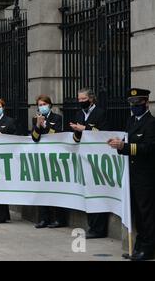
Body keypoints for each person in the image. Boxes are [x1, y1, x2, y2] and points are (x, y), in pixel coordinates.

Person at [108, 88, 155, 261]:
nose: (134, 107)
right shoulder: (130, 121)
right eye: (131, 104)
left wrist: (124, 147)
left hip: (145, 177)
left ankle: (148, 249)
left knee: (146, 214)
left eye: (137, 103)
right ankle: (138, 246)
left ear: (146, 103)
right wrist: (117, 145)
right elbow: (126, 144)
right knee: (136, 213)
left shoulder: (151, 123)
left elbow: (149, 148)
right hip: (132, 176)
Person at [70, 88, 109, 239]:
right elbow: (77, 138)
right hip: (84, 157)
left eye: (83, 99)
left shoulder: (100, 113)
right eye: (79, 99)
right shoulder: (79, 114)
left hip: (98, 157)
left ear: (91, 99)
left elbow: (104, 132)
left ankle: (99, 228)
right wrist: (76, 131)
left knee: (97, 192)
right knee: (88, 192)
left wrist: (84, 128)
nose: (81, 102)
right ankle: (92, 226)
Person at [31, 95, 67, 229]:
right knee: (42, 188)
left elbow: (56, 134)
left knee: (56, 188)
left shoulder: (57, 118)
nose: (42, 107)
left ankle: (59, 218)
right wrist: (38, 126)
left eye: (44, 104)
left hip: (54, 156)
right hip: (41, 157)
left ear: (50, 105)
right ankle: (43, 218)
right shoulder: (36, 119)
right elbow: (35, 137)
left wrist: (45, 126)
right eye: (40, 104)